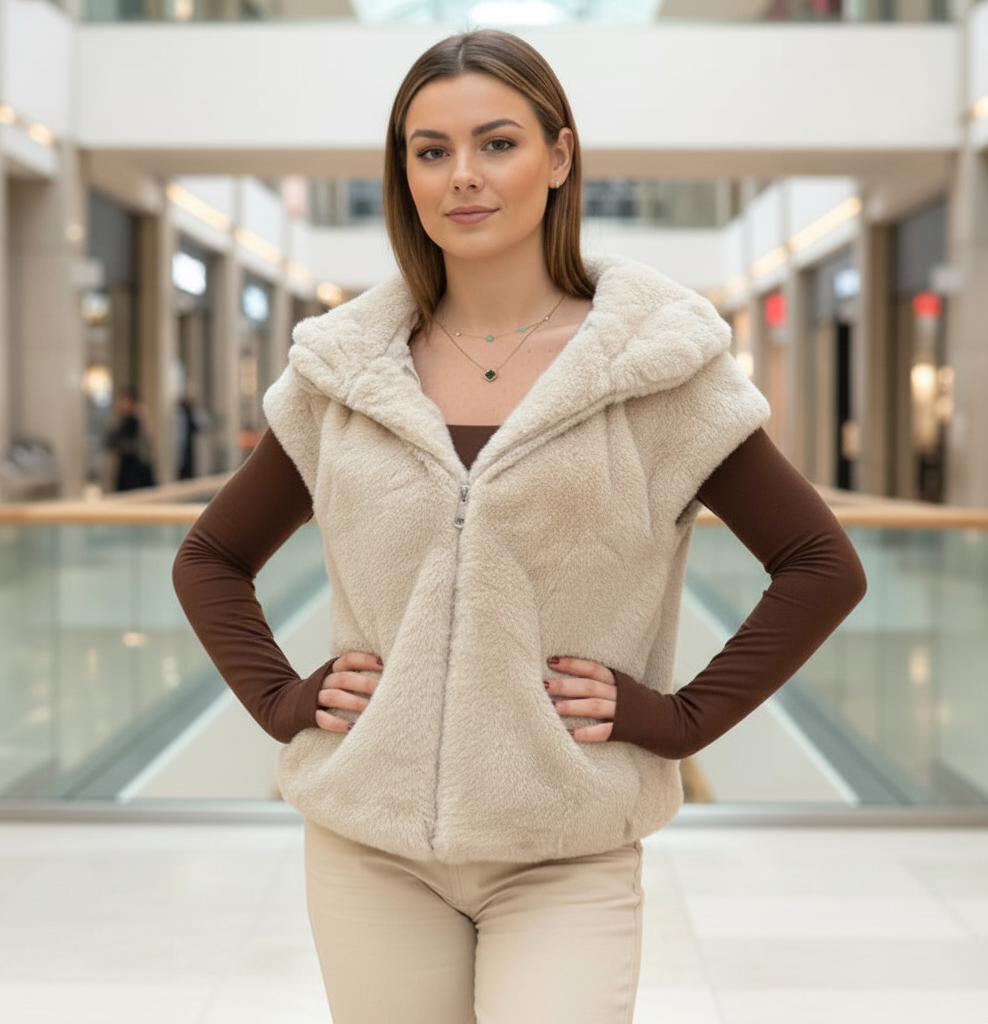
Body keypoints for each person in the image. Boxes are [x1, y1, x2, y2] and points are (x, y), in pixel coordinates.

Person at [173, 29, 866, 1024]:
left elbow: (818, 564)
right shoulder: (343, 371)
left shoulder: (655, 368)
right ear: (402, 170)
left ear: (559, 156)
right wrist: (283, 699)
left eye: (496, 143)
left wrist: (677, 720)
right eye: (430, 149)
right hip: (369, 847)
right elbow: (210, 558)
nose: (463, 175)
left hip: (565, 847)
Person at [105, 385, 155, 491]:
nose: (121, 405)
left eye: (124, 401)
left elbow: (143, 449)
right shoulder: (122, 422)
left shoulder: (137, 423)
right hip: (126, 472)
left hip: (137, 475)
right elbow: (109, 442)